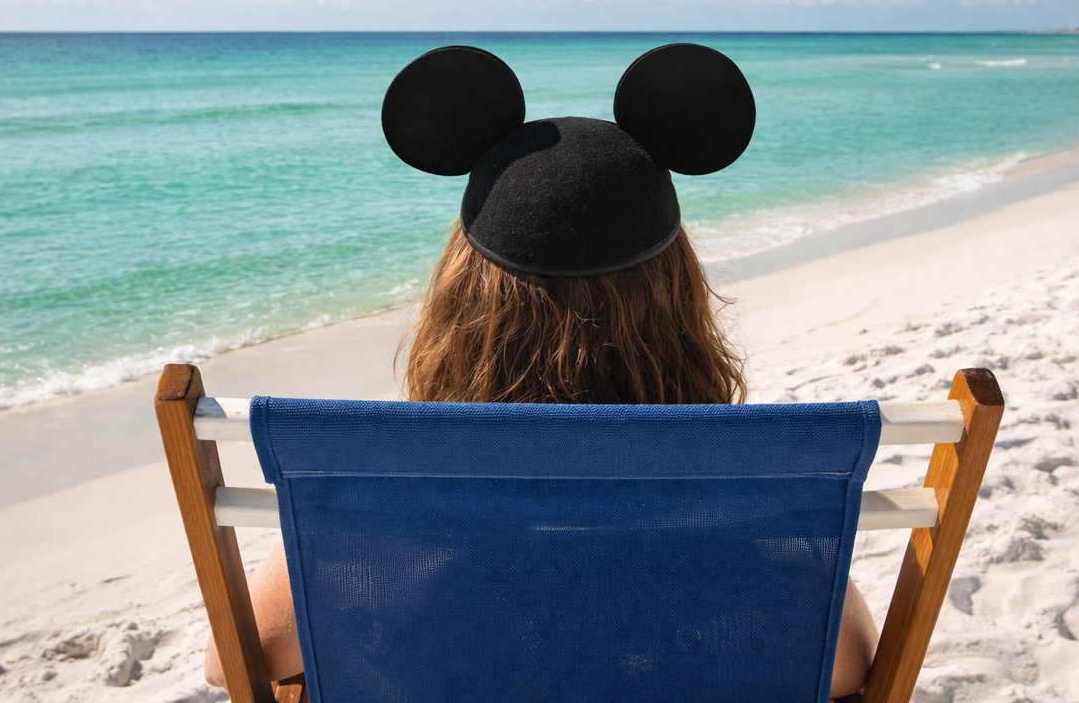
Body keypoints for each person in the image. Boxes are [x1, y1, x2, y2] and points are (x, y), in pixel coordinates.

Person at [206, 44, 877, 698]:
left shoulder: (399, 488)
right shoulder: (732, 487)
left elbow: (236, 658)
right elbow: (848, 665)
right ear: (679, 307)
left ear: (462, 308)